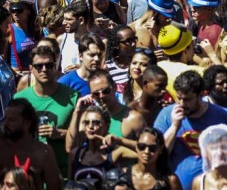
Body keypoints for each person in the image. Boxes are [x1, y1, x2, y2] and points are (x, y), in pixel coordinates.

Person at [153, 71, 227, 189]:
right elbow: (157, 154)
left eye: (187, 99)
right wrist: (175, 126)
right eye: (179, 98)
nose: (181, 104)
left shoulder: (221, 116)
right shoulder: (167, 115)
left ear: (201, 95)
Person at [14, 43, 78, 176]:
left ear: (55, 67)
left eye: (49, 65)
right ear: (31, 68)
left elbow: (84, 136)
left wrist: (59, 134)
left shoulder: (72, 97)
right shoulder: (19, 99)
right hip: (29, 175)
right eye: (38, 66)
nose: (44, 70)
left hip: (62, 173)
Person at [2, 98, 62, 190]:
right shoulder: (2, 146)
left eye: (12, 120)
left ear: (27, 123)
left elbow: (54, 187)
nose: (6, 123)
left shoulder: (42, 153)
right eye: (5, 119)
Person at [67, 104, 136, 183]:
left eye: (96, 122)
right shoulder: (75, 154)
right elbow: (70, 184)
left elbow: (145, 151)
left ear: (107, 126)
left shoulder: (115, 153)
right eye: (86, 122)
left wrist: (120, 140)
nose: (90, 126)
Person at [193, 124, 227, 190]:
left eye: (224, 147)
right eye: (213, 148)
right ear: (205, 152)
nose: (219, 153)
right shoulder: (199, 182)